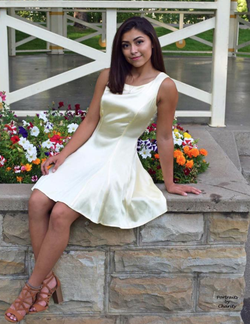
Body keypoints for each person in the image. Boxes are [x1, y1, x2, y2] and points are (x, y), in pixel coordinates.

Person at [4, 16, 201, 322]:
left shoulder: (165, 86)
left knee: (60, 214)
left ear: (152, 42)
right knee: (37, 201)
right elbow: (91, 121)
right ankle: (49, 282)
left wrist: (171, 182)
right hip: (90, 152)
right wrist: (64, 154)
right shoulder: (108, 76)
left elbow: (164, 135)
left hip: (117, 161)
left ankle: (29, 290)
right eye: (125, 45)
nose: (133, 50)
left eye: (139, 42)